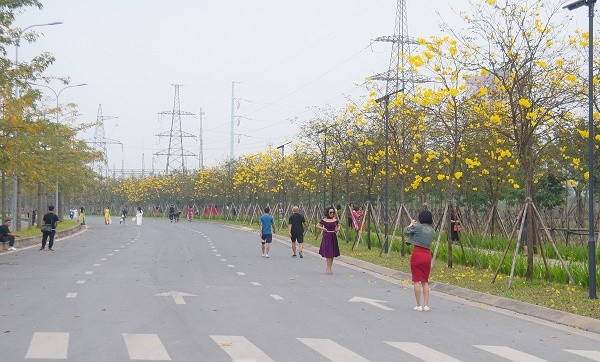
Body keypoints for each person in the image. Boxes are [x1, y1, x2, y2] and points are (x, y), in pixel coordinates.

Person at [404, 210, 435, 312]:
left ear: (420, 218)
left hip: (417, 254)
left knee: (417, 280)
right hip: (427, 255)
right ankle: (426, 305)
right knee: (425, 281)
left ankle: (419, 305)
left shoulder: (417, 227)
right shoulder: (432, 230)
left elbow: (406, 231)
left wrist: (411, 224)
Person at [316, 206, 341, 274]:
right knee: (328, 253)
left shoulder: (335, 220)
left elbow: (339, 226)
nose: (332, 213)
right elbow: (317, 225)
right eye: (330, 212)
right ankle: (328, 268)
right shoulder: (324, 220)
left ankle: (330, 268)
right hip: (327, 237)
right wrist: (323, 229)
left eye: (333, 212)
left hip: (333, 236)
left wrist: (337, 229)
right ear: (328, 212)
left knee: (332, 253)